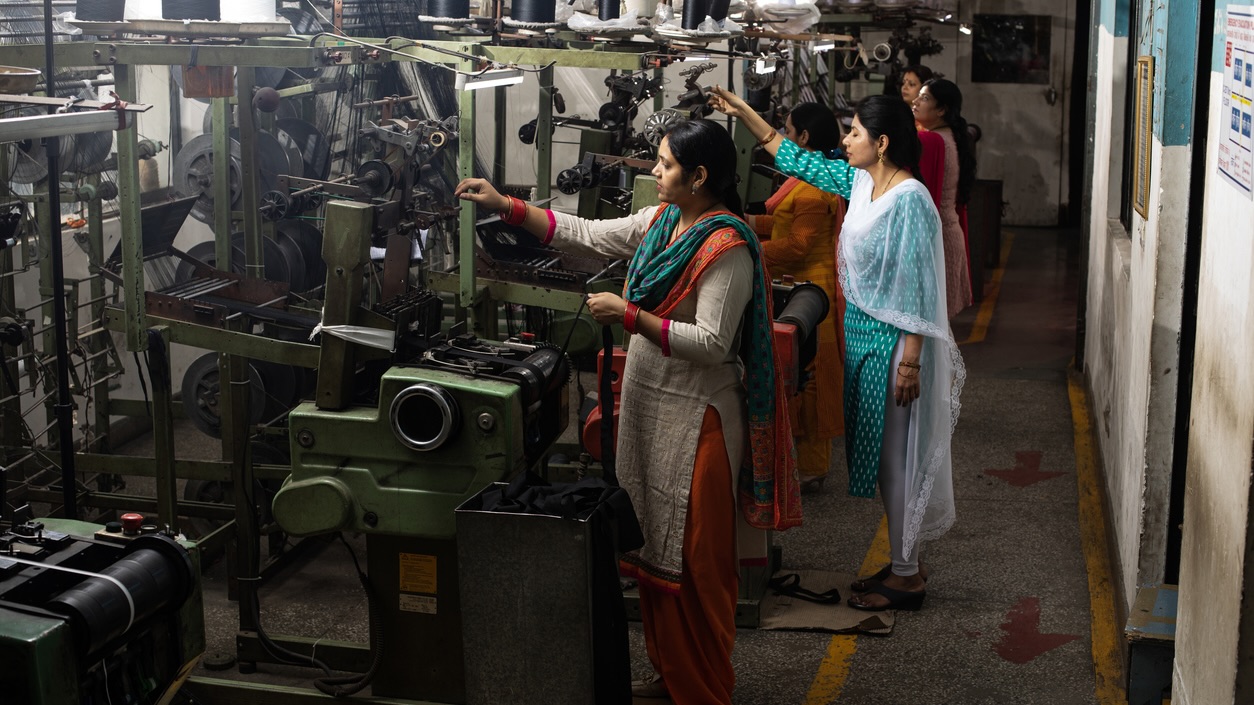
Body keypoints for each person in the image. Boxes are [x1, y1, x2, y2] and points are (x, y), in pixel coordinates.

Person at [454, 118, 800, 704]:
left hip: (697, 420)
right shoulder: (664, 222)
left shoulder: (727, 247)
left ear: (699, 176)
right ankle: (673, 674)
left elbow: (712, 343)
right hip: (650, 409)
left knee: (693, 562)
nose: (656, 172)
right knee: (653, 551)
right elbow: (586, 233)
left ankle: (704, 688)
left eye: (666, 164)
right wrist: (505, 206)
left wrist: (630, 315)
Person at [709, 87, 963, 611]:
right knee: (885, 458)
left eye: (855, 133)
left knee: (896, 460)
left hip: (894, 343)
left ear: (882, 143)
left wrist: (910, 361)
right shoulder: (863, 182)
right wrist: (745, 114)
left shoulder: (910, 200)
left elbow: (918, 286)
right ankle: (904, 562)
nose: (845, 141)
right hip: (865, 335)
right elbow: (796, 158)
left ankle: (907, 579)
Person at [747, 102, 847, 494]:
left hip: (814, 292)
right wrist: (744, 222)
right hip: (800, 286)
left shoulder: (812, 189)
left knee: (811, 380)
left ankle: (812, 468)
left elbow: (797, 245)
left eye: (787, 131)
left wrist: (746, 247)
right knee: (800, 374)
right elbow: (783, 223)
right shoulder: (806, 182)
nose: (784, 138)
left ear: (804, 137)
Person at [914, 78, 976, 317]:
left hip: (937, 240)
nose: (916, 102)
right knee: (938, 326)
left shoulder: (932, 141)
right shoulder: (950, 136)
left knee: (930, 326)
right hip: (948, 235)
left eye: (924, 98)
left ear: (941, 110)